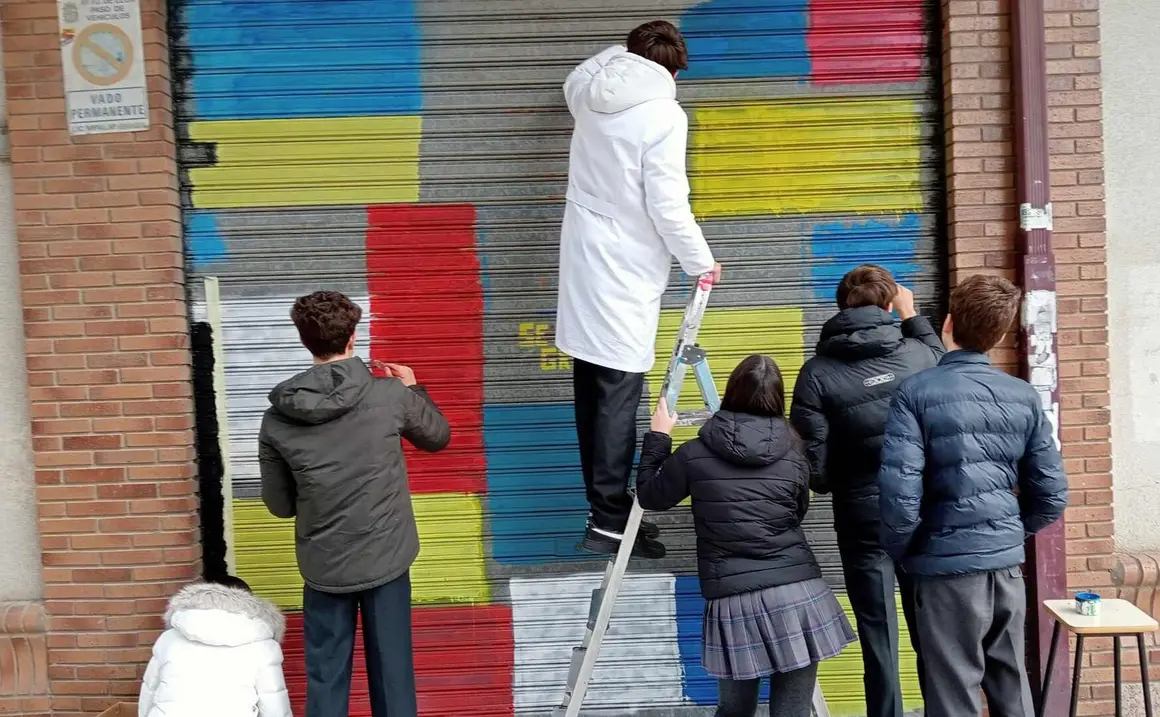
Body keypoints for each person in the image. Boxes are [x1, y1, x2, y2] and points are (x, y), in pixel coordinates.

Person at [555, 19, 722, 559]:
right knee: (618, 394)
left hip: (585, 259)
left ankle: (604, 507)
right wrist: (701, 261)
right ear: (672, 69)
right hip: (623, 266)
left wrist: (619, 54)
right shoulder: (663, 115)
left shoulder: (587, 97)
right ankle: (607, 516)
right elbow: (668, 203)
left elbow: (577, 76)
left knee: (592, 389)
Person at [877, 274, 1069, 717]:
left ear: (947, 324)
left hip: (944, 568)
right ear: (999, 336)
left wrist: (907, 550)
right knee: (1010, 685)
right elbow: (1053, 494)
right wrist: (1011, 533)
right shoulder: (1022, 397)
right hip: (1004, 567)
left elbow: (899, 494)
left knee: (951, 694)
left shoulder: (916, 393)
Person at [258, 291, 451, 717]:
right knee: (393, 677)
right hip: (386, 560)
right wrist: (414, 388)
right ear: (352, 337)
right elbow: (437, 437)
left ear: (304, 339)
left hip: (324, 566)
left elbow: (280, 505)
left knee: (326, 680)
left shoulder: (276, 418)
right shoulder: (389, 397)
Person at [637, 355, 856, 717]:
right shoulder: (795, 451)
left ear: (730, 391)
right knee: (794, 709)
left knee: (734, 711)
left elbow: (649, 496)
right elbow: (797, 511)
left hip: (733, 600)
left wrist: (659, 437)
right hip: (796, 592)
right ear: (777, 399)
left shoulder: (694, 454)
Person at [788, 265, 943, 717]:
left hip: (862, 520)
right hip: (921, 512)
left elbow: (814, 472)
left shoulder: (816, 374)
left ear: (840, 308)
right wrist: (913, 316)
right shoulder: (918, 355)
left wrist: (852, 476)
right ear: (890, 304)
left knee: (878, 632)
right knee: (931, 629)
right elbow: (947, 365)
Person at [138, 574, 292, 717]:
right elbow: (275, 705)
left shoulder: (170, 638)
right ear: (250, 604)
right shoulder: (262, 646)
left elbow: (149, 690)